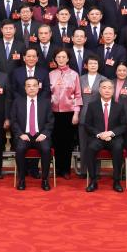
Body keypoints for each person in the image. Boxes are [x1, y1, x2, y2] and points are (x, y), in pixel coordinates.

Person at [82, 79, 127, 192]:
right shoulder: (92, 106)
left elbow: (124, 125)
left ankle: (116, 181)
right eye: (104, 87)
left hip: (114, 137)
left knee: (118, 147)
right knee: (90, 148)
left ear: (113, 90)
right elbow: (87, 125)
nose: (107, 90)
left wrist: (111, 133)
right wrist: (100, 134)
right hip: (98, 137)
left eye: (109, 88)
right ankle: (93, 181)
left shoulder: (119, 106)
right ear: (99, 90)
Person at [10, 76, 54, 191]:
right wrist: (20, 134)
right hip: (24, 135)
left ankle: (45, 180)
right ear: (25, 88)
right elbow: (13, 121)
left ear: (38, 87)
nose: (31, 88)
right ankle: (21, 180)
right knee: (20, 149)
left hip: (41, 135)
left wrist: (44, 134)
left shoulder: (45, 102)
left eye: (34, 85)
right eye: (28, 86)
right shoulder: (17, 102)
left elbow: (50, 121)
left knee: (46, 149)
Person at [48, 48, 82, 179]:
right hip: (53, 112)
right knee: (56, 141)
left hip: (69, 113)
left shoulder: (74, 74)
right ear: (55, 59)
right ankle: (57, 168)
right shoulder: (51, 74)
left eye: (63, 57)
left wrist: (76, 113)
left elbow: (78, 95)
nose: (61, 59)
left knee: (67, 142)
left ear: (68, 59)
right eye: (58, 57)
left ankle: (66, 169)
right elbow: (47, 93)